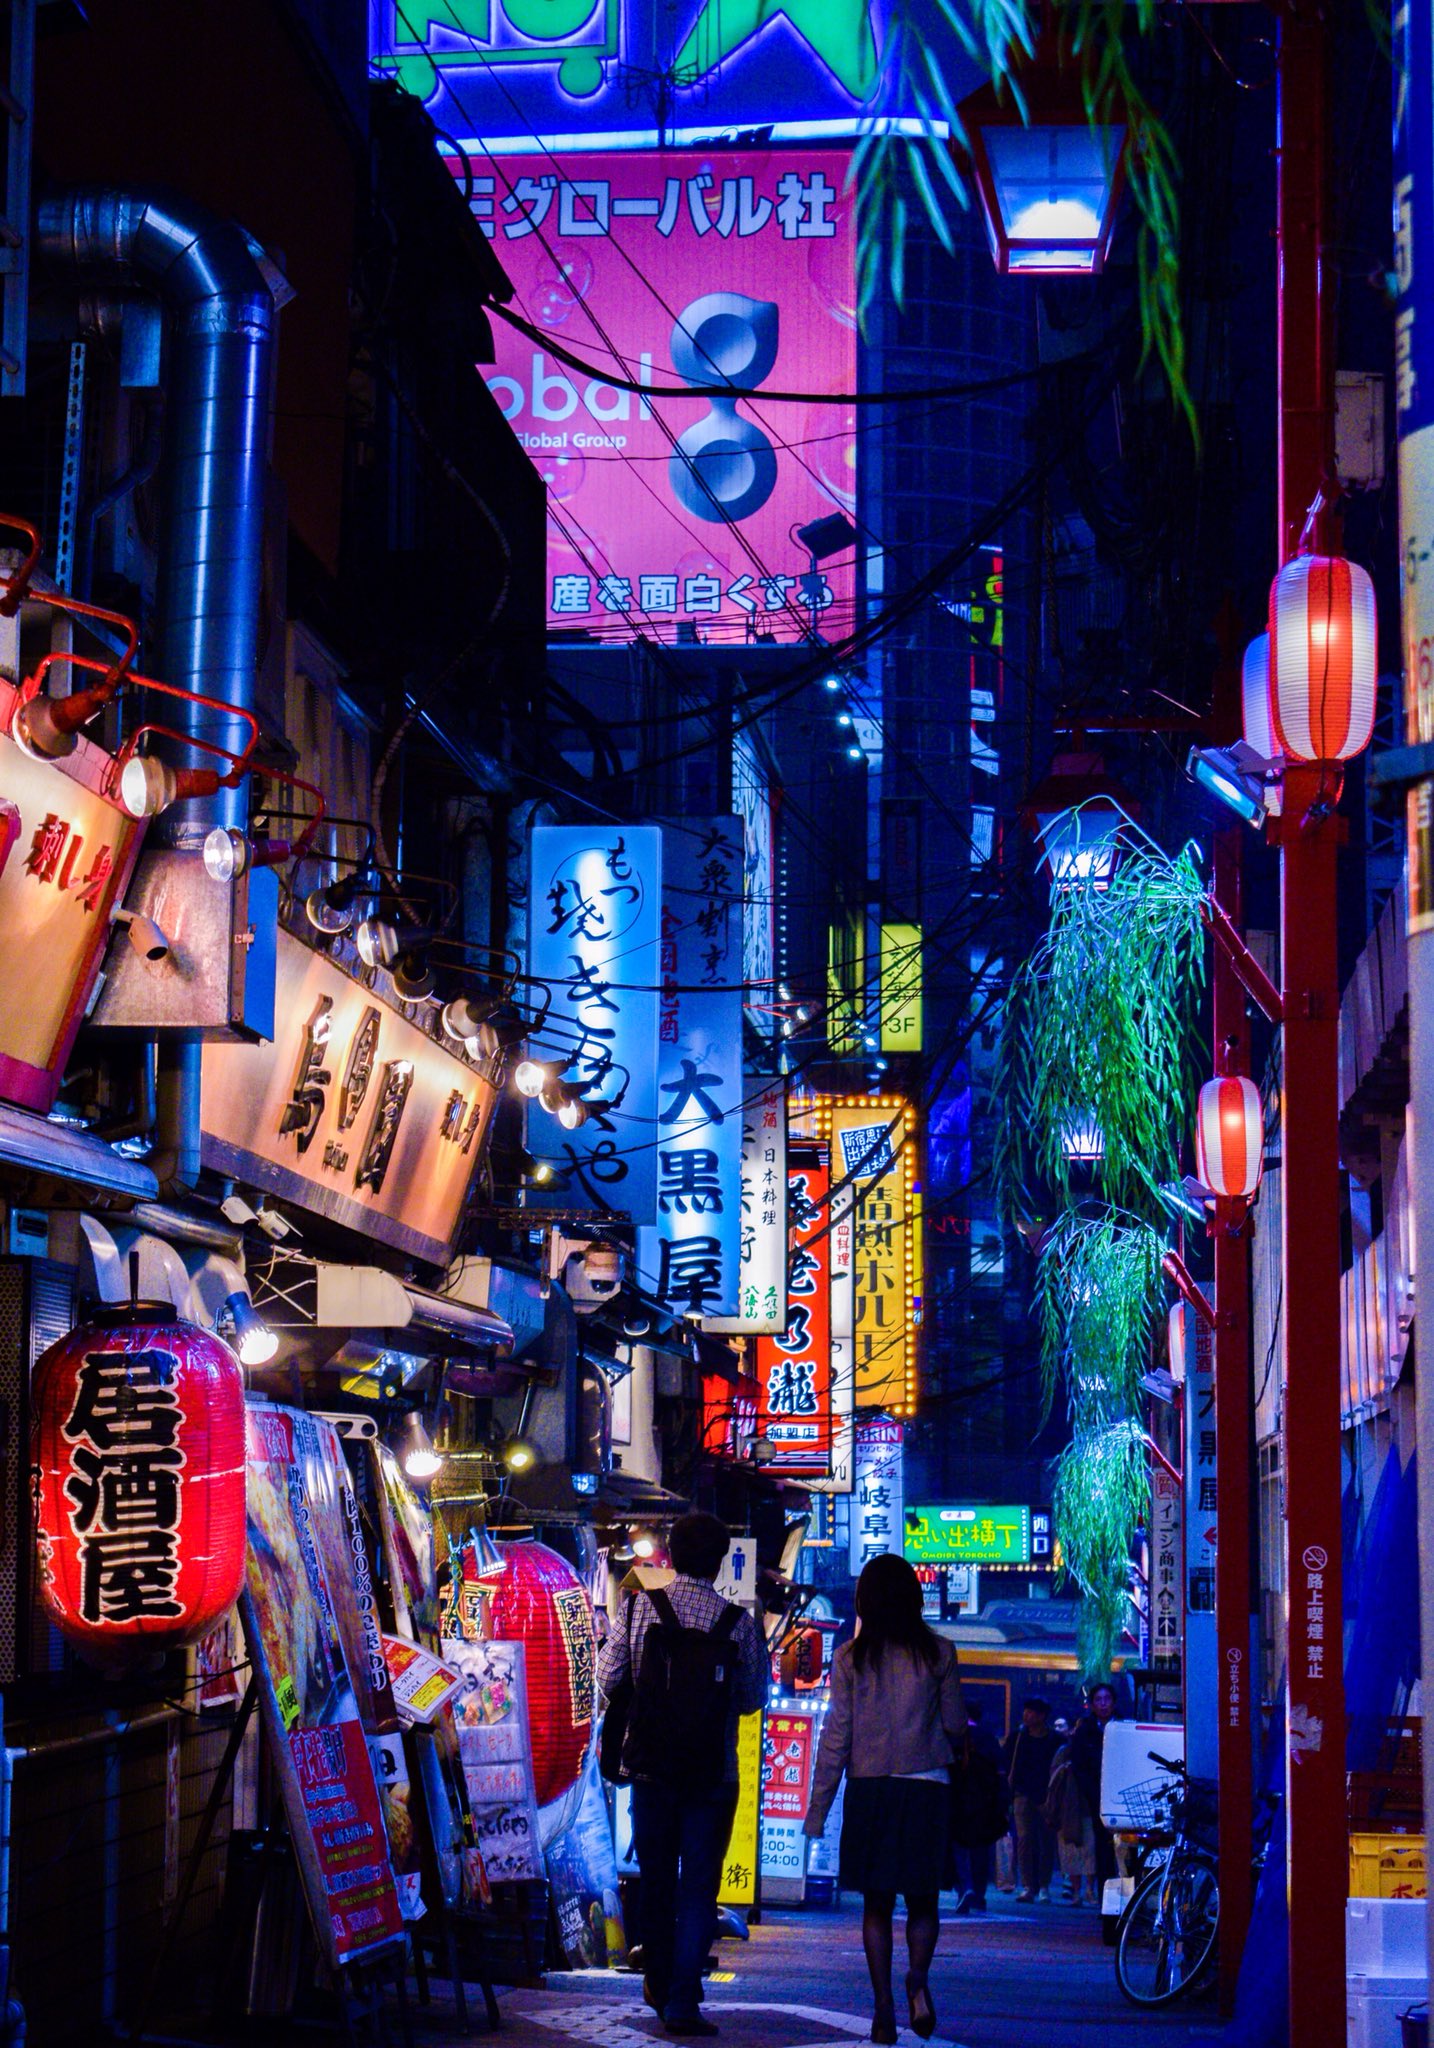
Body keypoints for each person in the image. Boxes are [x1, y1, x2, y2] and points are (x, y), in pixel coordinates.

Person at [597, 1511, 768, 2038]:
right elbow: (749, 1700)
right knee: (698, 1886)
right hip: (712, 1775)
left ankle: (658, 1975)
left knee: (655, 1878)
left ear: (668, 1554)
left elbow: (606, 1679)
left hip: (650, 1767)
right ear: (720, 1564)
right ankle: (683, 2000)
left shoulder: (639, 1607)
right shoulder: (738, 1622)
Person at [803, 1554, 965, 2046]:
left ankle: (881, 2008)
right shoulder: (940, 1652)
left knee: (876, 1903)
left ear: (865, 1601)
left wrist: (817, 1811)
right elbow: (956, 1725)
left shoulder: (851, 1657)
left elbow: (837, 1737)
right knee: (922, 1900)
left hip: (871, 1787)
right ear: (915, 1598)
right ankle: (917, 1980)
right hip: (926, 1787)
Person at [1002, 1696, 1061, 1902]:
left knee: (1045, 1841)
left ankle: (1043, 1885)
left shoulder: (1055, 1740)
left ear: (1042, 1716)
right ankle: (1028, 1885)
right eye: (1025, 1711)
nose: (1026, 1715)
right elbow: (1007, 1764)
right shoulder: (1017, 1737)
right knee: (1025, 1840)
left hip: (1047, 1796)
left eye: (1031, 1712)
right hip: (1022, 1794)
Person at [950, 1700, 1004, 1916]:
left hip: (958, 1799)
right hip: (984, 1802)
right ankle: (979, 1895)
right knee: (981, 1849)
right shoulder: (988, 1737)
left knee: (958, 1847)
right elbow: (999, 1769)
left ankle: (964, 1887)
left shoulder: (954, 1737)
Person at [1069, 1681, 1120, 1904]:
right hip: (1096, 1796)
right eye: (1098, 1700)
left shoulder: (1122, 1726)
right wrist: (1090, 1791)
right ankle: (1104, 1898)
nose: (1103, 1704)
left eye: (1107, 1699)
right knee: (1102, 1848)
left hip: (1120, 1794)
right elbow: (1078, 1764)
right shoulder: (1084, 1730)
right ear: (1091, 1704)